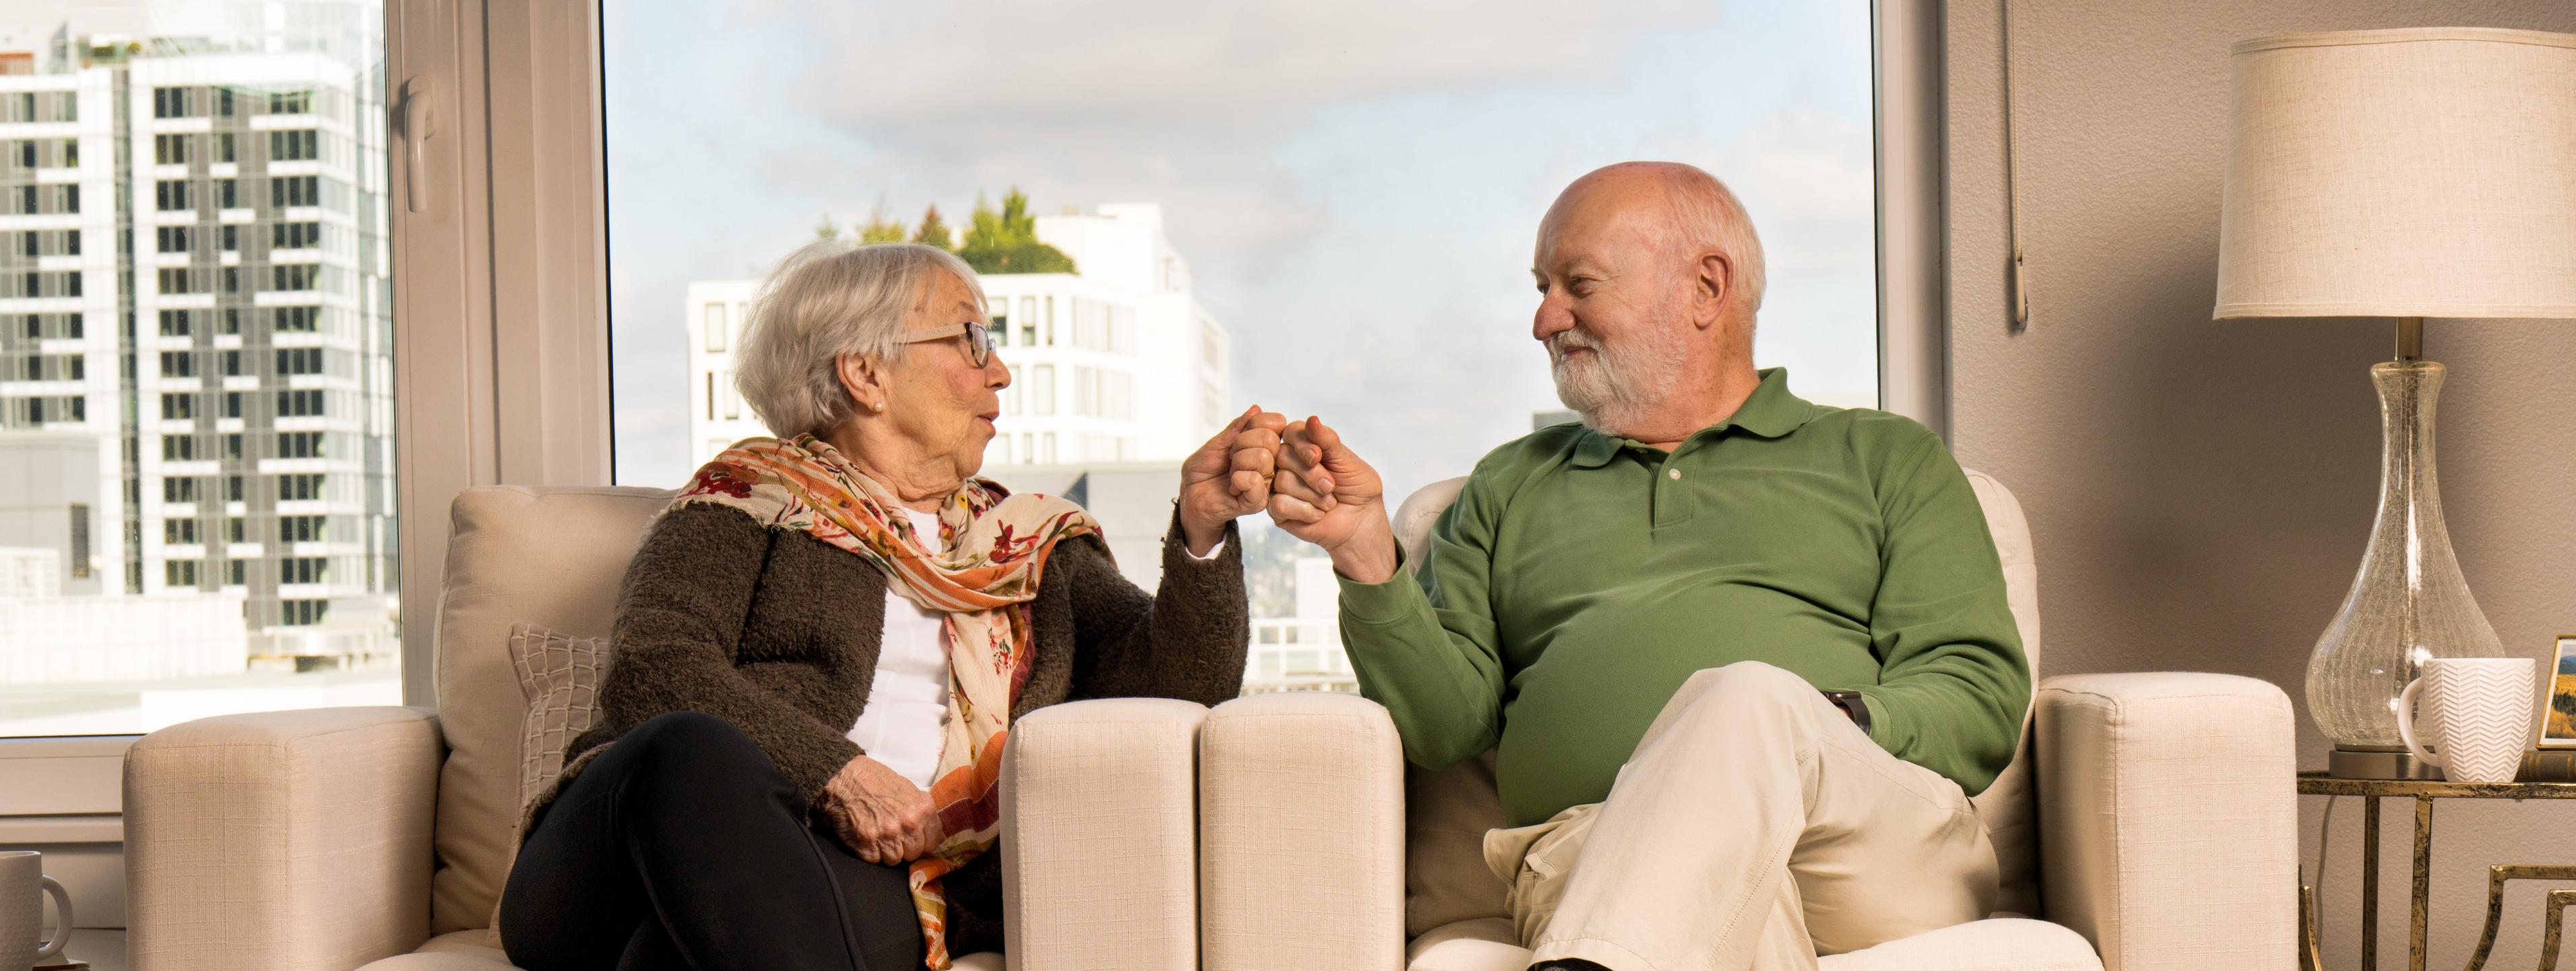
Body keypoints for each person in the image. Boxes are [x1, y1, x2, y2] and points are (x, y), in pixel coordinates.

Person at [1266, 162, 2030, 971]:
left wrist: (1805, 729)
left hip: (1867, 847)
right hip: (1596, 845)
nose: (1544, 319)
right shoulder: (1509, 484)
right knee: (1717, 906)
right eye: (1541, 287)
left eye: (1577, 284)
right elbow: (1444, 726)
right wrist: (1362, 551)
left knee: (1747, 696)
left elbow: (1977, 695)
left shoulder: (1884, 458)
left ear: (1707, 288)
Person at [499, 240, 1279, 971]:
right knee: (687, 749)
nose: (999, 371)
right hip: (617, 862)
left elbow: (1184, 688)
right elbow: (653, 668)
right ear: (865, 373)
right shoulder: (742, 501)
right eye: (971, 338)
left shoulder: (1029, 543)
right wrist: (837, 773)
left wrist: (1204, 531)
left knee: (684, 949)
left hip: (879, 881)